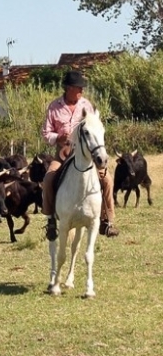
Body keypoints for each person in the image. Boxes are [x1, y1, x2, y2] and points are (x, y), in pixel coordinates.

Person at [41, 70, 119, 239]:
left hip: (85, 154)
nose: (81, 91)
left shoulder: (86, 105)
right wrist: (58, 137)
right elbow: (46, 133)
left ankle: (107, 221)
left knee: (107, 180)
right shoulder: (54, 107)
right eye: (79, 87)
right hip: (62, 153)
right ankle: (50, 221)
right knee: (48, 180)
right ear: (69, 88)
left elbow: (95, 127)